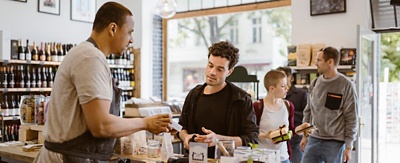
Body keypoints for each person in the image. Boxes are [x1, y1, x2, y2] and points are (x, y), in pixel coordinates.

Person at [34, 2, 173, 162]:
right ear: (113, 29)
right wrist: (145, 123)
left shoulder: (88, 54)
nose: (131, 40)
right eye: (129, 32)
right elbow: (101, 126)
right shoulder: (90, 57)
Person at [178, 41, 259, 158]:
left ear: (229, 72)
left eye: (220, 69)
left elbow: (252, 138)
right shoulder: (194, 94)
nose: (212, 72)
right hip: (195, 159)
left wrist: (218, 139)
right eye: (210, 66)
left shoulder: (241, 99)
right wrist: (186, 137)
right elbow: (182, 128)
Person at [300, 47, 358, 163]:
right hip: (314, 139)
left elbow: (351, 117)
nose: (316, 64)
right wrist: (305, 135)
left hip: (335, 143)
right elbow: (308, 110)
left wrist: (349, 146)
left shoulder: (346, 85)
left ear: (330, 62)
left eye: (319, 60)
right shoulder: (315, 83)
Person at [253, 70, 293, 163]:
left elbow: (292, 130)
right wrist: (266, 136)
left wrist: (301, 129)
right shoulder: (257, 106)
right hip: (262, 158)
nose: (287, 88)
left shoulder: (288, 105)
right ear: (272, 88)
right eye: (283, 86)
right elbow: (250, 133)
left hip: (283, 158)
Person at [277, 66, 307, 163]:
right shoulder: (275, 96)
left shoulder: (302, 94)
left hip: (296, 138)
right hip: (279, 138)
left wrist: (288, 112)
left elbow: (306, 115)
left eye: (282, 75)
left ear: (290, 77)